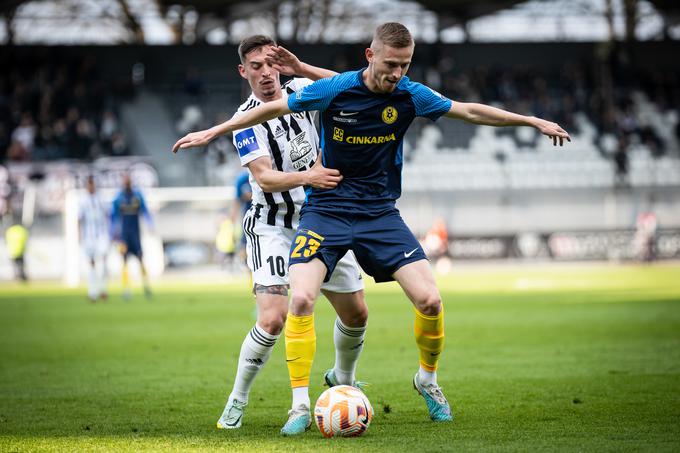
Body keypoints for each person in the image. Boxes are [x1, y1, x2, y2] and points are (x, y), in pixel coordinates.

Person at [173, 23, 570, 426]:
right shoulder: (254, 117)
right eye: (256, 66)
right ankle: (278, 402)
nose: (397, 73)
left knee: (380, 310)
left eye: (404, 65)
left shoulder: (397, 92)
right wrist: (214, 131)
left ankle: (378, 381)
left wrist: (531, 120)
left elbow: (461, 108)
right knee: (284, 311)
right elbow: (268, 165)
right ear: (244, 71)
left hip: (376, 211)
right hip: (302, 215)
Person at [204, 35, 368, 435]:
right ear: (243, 72)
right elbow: (263, 176)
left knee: (357, 313)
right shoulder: (245, 118)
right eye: (255, 67)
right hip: (273, 226)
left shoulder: (300, 90)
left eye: (270, 64)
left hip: (322, 219)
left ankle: (342, 379)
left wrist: (303, 67)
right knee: (275, 318)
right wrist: (309, 176)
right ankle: (239, 399)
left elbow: (354, 85)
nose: (265, 73)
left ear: (279, 63)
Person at [110, 173, 153, 300]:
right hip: (124, 235)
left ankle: (146, 286)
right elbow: (114, 216)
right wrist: (113, 232)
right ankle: (126, 289)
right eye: (125, 181)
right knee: (124, 261)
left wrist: (150, 224)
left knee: (140, 259)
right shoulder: (118, 198)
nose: (127, 183)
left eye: (128, 181)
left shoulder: (137, 196)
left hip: (135, 234)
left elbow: (145, 211)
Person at [79, 175, 109, 302]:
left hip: (101, 235)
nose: (91, 187)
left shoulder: (101, 199)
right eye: (89, 184)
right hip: (89, 237)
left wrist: (111, 233)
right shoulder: (83, 201)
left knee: (102, 261)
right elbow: (79, 219)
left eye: (92, 184)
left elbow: (108, 216)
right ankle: (92, 292)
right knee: (91, 263)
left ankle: (103, 289)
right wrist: (79, 236)